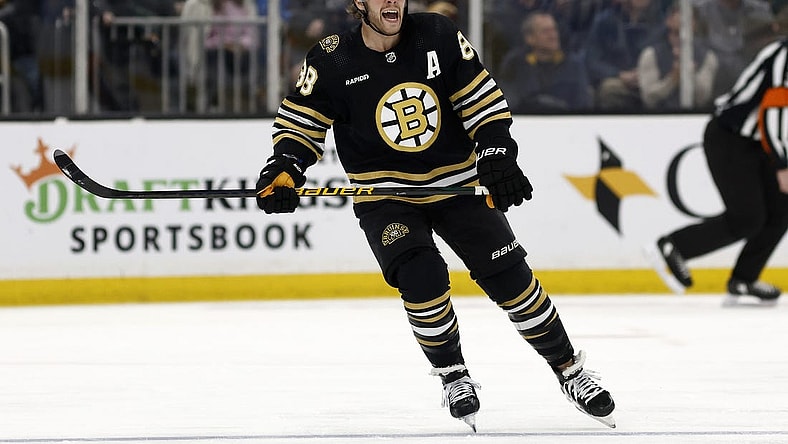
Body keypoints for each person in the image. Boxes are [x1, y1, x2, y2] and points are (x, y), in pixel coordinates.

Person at [254, 0, 616, 431]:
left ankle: (570, 370)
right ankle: (453, 375)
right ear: (358, 4)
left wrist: (497, 154)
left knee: (511, 279)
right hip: (385, 194)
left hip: (455, 185)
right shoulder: (332, 57)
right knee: (421, 276)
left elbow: (482, 103)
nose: (392, 1)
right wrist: (284, 168)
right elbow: (300, 127)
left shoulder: (438, 35)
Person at [646, 38, 788, 306]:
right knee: (748, 218)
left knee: (781, 209)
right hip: (731, 138)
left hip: (758, 143)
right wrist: (782, 164)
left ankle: (744, 279)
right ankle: (674, 245)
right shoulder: (785, 55)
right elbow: (775, 109)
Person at [498, 11, 593, 112]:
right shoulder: (515, 64)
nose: (553, 36)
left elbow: (582, 103)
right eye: (545, 31)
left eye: (554, 30)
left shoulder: (573, 65)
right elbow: (508, 99)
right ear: (529, 38)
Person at [636, 1, 719, 110]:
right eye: (676, 32)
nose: (680, 39)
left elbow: (703, 98)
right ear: (668, 21)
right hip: (657, 118)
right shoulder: (650, 55)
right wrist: (672, 79)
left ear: (694, 26)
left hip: (695, 118)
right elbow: (648, 98)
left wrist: (690, 75)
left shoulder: (708, 57)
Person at [584, 0, 664, 110]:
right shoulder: (604, 22)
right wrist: (619, 75)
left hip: (652, 80)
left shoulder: (661, 23)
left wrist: (643, 73)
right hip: (620, 81)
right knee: (609, 88)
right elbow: (591, 62)